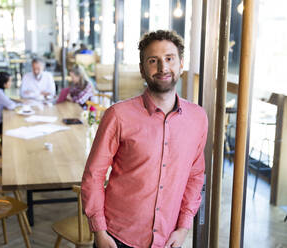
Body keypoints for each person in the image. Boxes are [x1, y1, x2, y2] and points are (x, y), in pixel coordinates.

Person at [81, 30, 208, 248]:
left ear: (181, 65)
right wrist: (99, 231)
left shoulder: (198, 118)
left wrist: (184, 227)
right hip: (117, 238)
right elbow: (94, 176)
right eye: (153, 60)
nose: (163, 67)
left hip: (168, 240)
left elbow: (195, 176)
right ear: (142, 69)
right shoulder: (118, 115)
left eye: (169, 59)